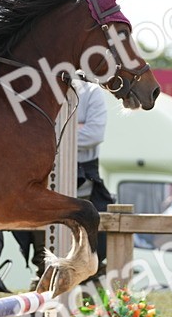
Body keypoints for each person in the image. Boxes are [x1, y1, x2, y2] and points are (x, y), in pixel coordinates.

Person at [12, 76, 113, 285]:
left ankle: (89, 305)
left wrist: (48, 138)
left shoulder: (91, 91)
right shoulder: (36, 87)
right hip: (41, 178)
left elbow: (94, 134)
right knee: (41, 252)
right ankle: (41, 305)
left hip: (83, 179)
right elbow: (25, 136)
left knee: (95, 244)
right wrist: (75, 129)